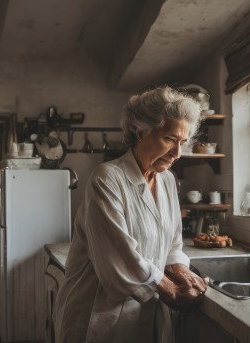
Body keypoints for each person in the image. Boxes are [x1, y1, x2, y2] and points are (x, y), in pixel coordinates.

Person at [53, 86, 209, 343]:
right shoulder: (107, 178)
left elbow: (173, 243)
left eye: (182, 142)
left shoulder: (168, 181)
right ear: (141, 131)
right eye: (170, 139)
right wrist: (172, 290)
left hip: (143, 315)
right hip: (97, 316)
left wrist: (182, 272)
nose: (177, 153)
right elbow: (118, 264)